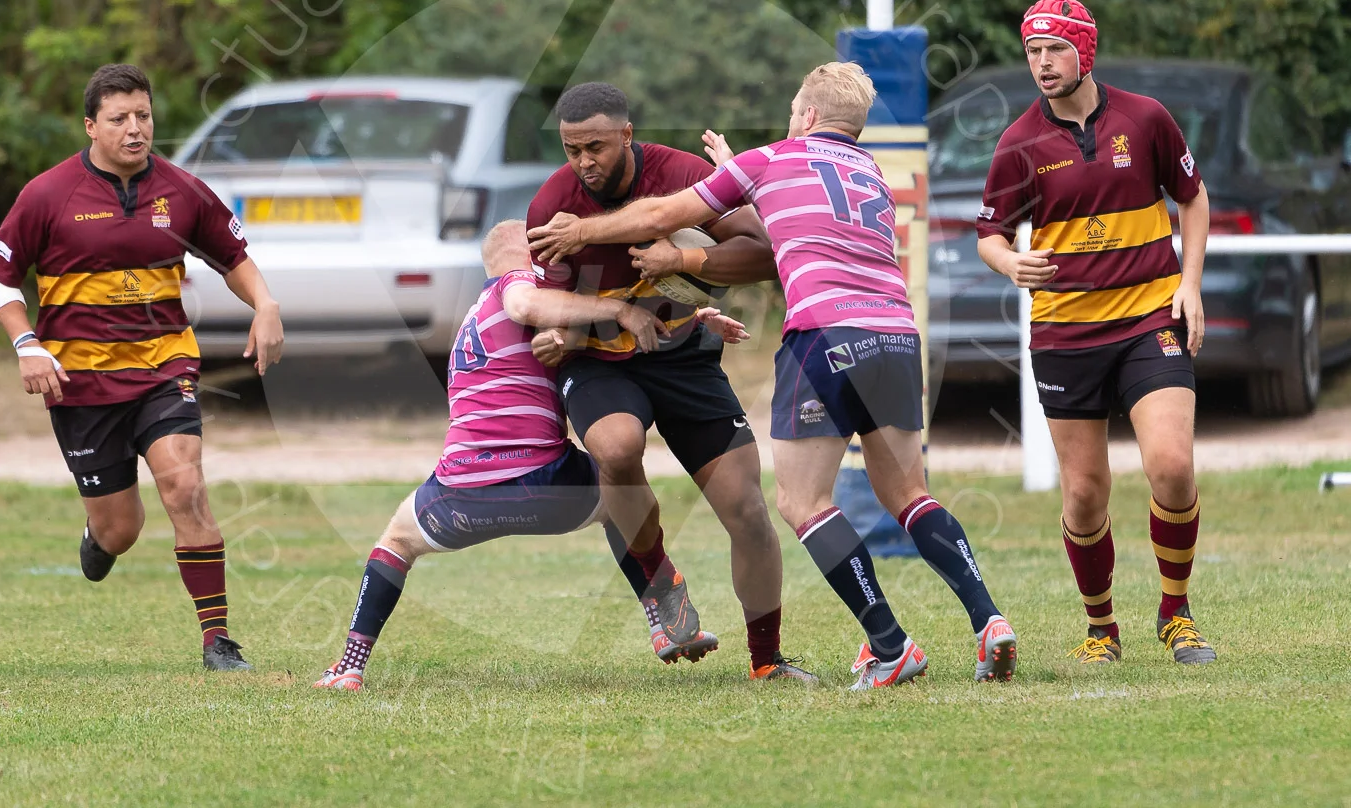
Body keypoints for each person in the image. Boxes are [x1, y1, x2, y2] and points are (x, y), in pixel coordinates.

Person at [530, 63, 1018, 688]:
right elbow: (793, 215)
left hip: (820, 337)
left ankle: (887, 646)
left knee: (799, 503)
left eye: (793, 110)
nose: (583, 160)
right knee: (910, 494)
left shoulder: (768, 159)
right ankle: (989, 620)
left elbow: (672, 218)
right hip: (895, 333)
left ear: (808, 116)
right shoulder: (870, 173)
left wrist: (603, 235)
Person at [315, 221, 753, 690]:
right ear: (523, 256)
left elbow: (602, 339)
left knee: (395, 543)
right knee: (621, 498)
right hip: (546, 483)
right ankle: (663, 614)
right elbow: (575, 320)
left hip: (460, 492)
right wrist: (623, 309)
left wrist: (694, 317)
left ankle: (349, 667)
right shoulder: (520, 290)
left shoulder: (474, 319)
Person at [0, 63, 284, 671]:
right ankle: (100, 539)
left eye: (143, 116)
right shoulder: (47, 195)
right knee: (122, 529)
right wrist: (27, 345)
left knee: (186, 485)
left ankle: (217, 641)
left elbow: (234, 256)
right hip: (81, 380)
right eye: (119, 119)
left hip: (163, 365)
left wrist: (266, 304)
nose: (135, 128)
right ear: (91, 125)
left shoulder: (182, 190)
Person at [523, 82, 811, 683]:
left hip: (684, 357)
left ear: (627, 135)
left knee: (748, 511)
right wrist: (557, 335)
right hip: (599, 362)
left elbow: (765, 252)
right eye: (573, 150)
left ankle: (767, 662)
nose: (585, 163)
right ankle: (660, 585)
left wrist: (681, 260)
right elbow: (543, 304)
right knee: (617, 447)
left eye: (596, 147)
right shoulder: (554, 201)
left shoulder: (681, 174)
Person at [974, 0, 1215, 665]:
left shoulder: (1145, 119)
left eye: (1054, 50)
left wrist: (1188, 283)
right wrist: (1009, 262)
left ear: (1086, 49)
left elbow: (1192, 199)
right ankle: (1101, 626)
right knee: (1084, 492)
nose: (1042, 64)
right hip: (1065, 332)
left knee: (1171, 465)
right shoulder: (1020, 142)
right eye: (1032, 52)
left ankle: (1176, 613)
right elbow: (988, 233)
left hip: (1149, 318)